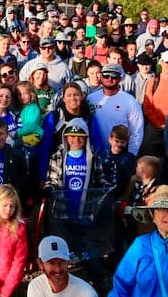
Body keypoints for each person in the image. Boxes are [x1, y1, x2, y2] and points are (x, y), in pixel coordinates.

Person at [43, 118, 116, 278]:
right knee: (65, 244)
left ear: (86, 138)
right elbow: (52, 179)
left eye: (80, 137)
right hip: (63, 209)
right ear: (66, 137)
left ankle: (94, 276)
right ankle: (65, 274)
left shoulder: (93, 157)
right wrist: (49, 188)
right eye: (72, 137)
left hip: (86, 210)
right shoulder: (58, 156)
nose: (76, 140)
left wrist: (107, 189)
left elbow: (101, 178)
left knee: (87, 247)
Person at [27, 235, 102, 297]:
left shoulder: (87, 295)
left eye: (61, 262)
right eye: (51, 263)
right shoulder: (35, 287)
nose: (57, 269)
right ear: (40, 263)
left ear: (68, 261)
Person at [87, 62, 144, 155]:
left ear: (120, 78)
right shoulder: (91, 99)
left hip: (120, 154)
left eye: (114, 76)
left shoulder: (130, 101)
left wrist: (131, 155)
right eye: (106, 75)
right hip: (95, 154)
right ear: (101, 77)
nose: (109, 78)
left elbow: (137, 132)